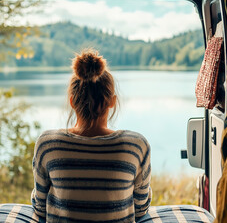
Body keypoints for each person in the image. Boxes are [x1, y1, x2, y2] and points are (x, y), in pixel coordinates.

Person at [31, 49, 152, 222]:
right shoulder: (137, 145)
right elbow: (141, 209)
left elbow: (40, 208)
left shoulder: (47, 144)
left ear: (72, 101)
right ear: (112, 101)